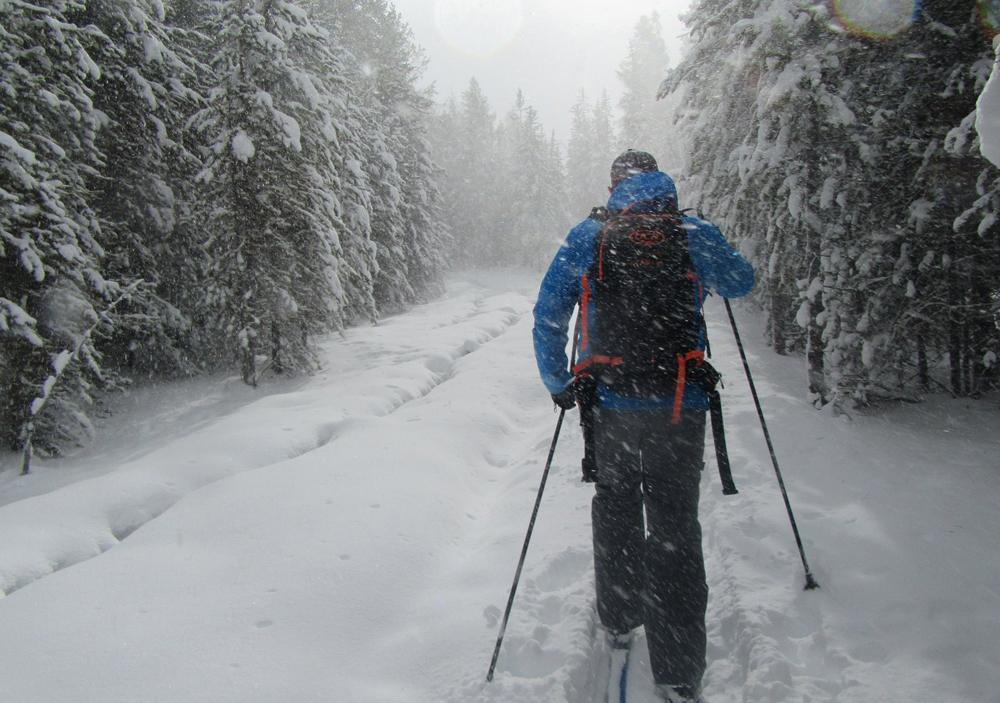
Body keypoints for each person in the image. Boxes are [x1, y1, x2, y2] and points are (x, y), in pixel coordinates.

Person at [532, 150, 754, 703]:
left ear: (614, 187)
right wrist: (701, 244)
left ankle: (620, 613)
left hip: (610, 404)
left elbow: (548, 312)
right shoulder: (693, 231)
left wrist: (559, 381)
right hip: (681, 404)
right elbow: (741, 282)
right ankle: (679, 672)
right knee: (676, 527)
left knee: (616, 504)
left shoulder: (589, 235)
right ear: (663, 188)